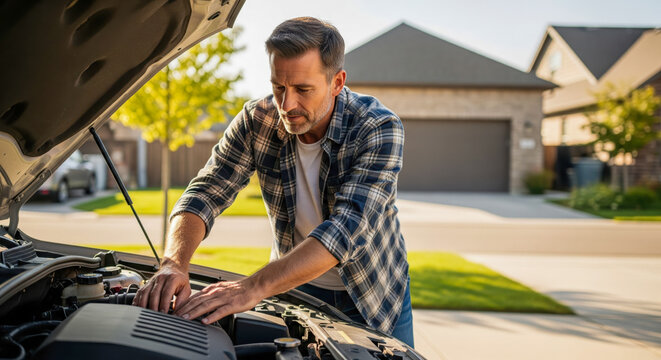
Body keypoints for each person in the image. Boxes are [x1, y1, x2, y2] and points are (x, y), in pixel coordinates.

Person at [132, 17, 413, 346]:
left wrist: (252, 287)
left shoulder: (377, 127)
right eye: (278, 87)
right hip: (293, 287)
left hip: (372, 295)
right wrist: (174, 263)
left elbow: (346, 231)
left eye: (303, 90)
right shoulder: (257, 120)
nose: (287, 104)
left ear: (337, 82)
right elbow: (205, 192)